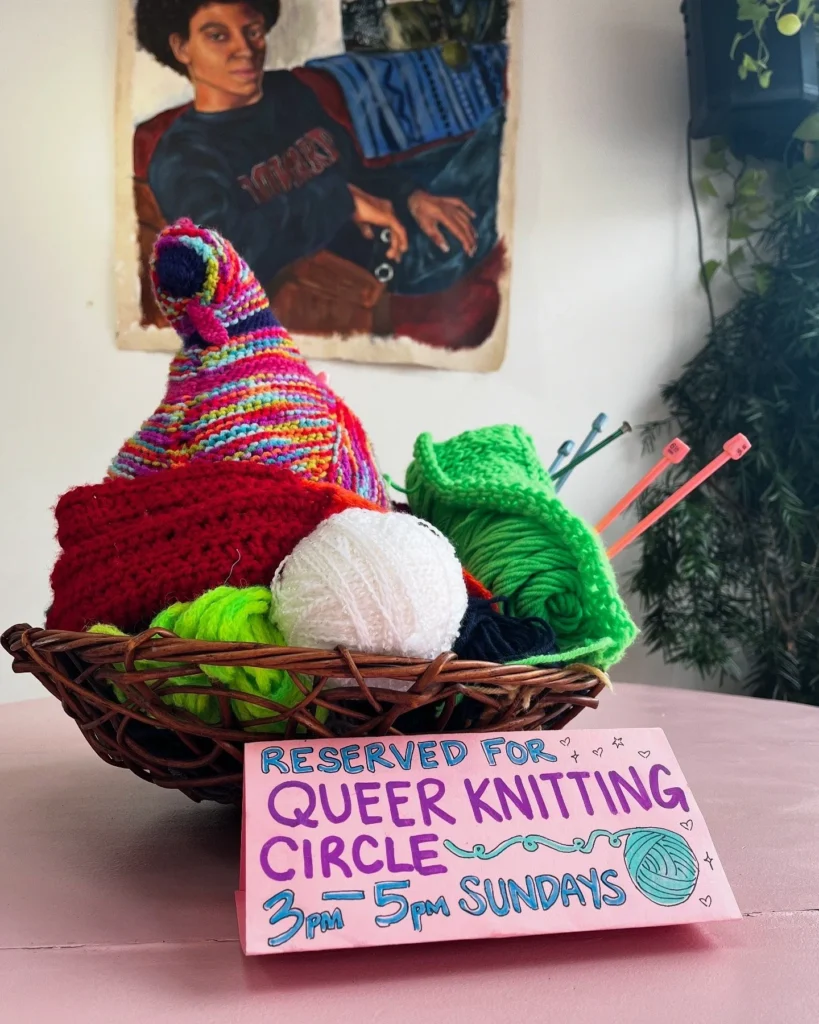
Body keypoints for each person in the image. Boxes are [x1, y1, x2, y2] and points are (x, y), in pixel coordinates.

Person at [135, 0, 499, 293]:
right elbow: (218, 265)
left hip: (405, 214)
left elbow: (352, 171)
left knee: (500, 123)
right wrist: (341, 201)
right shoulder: (182, 158)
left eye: (254, 31)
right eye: (218, 36)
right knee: (510, 132)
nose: (245, 49)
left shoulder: (288, 92)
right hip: (392, 257)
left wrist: (411, 195)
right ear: (181, 47)